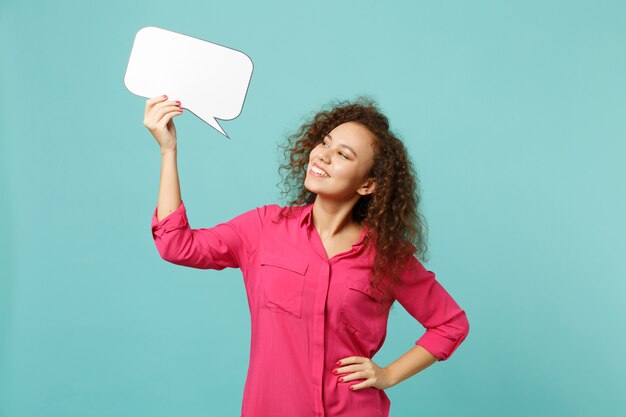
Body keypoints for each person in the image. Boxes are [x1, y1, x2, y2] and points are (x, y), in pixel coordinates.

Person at [145, 94, 470, 417]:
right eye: (324, 143)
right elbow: (176, 244)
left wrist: (388, 375)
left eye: (342, 154)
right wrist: (168, 150)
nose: (323, 156)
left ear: (368, 185)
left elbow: (450, 324)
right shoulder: (264, 228)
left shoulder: (388, 256)